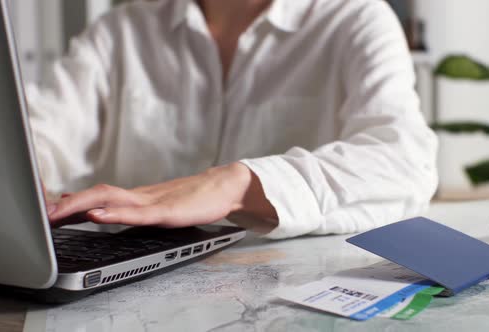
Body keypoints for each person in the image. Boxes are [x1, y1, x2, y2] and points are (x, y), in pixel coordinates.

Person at [30, 0, 438, 239]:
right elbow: (39, 136)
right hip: (118, 294)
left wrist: (234, 185)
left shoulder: (355, 18)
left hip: (286, 297)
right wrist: (21, 179)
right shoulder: (120, 31)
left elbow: (404, 161)